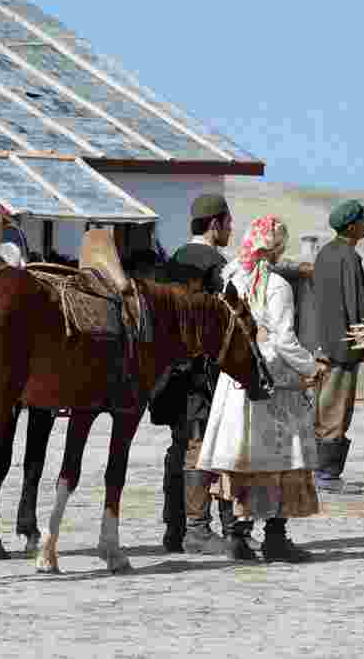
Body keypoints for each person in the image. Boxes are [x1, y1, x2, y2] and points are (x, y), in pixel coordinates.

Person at [198, 214, 327, 562]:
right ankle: (275, 536)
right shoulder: (276, 286)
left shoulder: (231, 277)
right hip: (272, 378)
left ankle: (238, 536)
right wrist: (311, 366)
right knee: (282, 456)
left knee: (243, 455)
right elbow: (284, 340)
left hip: (235, 378)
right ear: (278, 246)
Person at [153, 193, 252, 556]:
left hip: (170, 372)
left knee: (180, 446)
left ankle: (174, 529)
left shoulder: (174, 260)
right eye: (228, 223)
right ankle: (196, 529)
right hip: (200, 374)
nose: (230, 229)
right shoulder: (215, 265)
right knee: (198, 447)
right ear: (215, 224)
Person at [311, 199, 364, 491]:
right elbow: (356, 304)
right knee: (336, 411)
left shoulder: (325, 254)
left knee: (321, 408)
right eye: (363, 221)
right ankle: (327, 475)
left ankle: (322, 472)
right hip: (342, 348)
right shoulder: (348, 258)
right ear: (351, 226)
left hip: (324, 343)